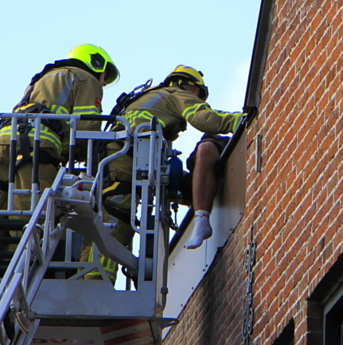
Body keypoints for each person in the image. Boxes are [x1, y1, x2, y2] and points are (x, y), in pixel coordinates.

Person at [82, 65, 242, 281]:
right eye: (199, 96)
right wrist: (241, 121)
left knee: (105, 214)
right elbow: (205, 119)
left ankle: (85, 276)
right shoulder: (177, 94)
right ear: (194, 89)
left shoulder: (148, 98)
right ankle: (95, 283)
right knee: (117, 216)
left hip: (111, 158)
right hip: (126, 159)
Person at [0, 44, 120, 220]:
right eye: (105, 76)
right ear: (96, 63)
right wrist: (87, 157)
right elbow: (86, 127)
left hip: (2, 142)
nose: (103, 83)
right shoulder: (86, 79)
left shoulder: (41, 78)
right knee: (30, 217)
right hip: (37, 147)